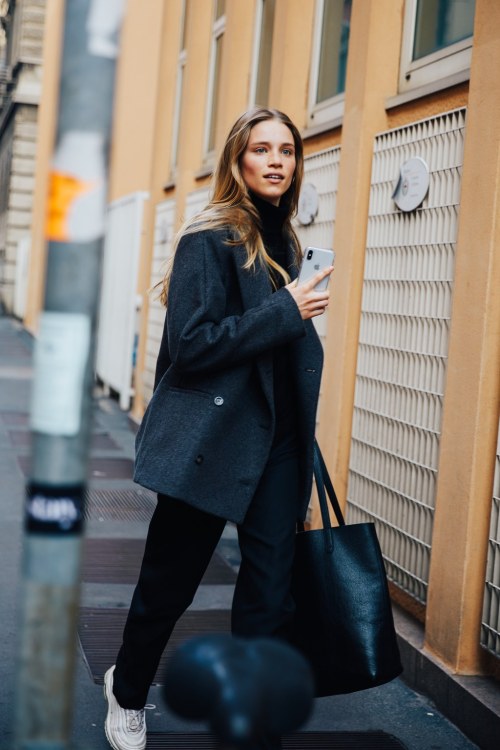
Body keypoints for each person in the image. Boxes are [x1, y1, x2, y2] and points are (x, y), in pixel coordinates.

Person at [103, 106, 333, 750]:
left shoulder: (287, 242)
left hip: (278, 442)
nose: (276, 161)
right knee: (169, 584)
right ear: (238, 160)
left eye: (286, 150)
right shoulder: (209, 239)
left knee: (268, 594)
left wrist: (294, 320)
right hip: (214, 440)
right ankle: (127, 690)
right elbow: (193, 343)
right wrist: (287, 310)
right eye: (261, 149)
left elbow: (280, 344)